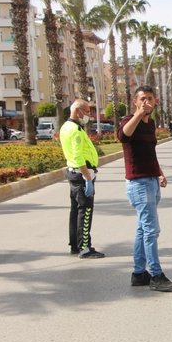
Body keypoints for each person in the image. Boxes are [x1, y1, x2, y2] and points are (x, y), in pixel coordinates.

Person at [117, 85, 172, 292]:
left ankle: (139, 273)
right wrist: (138, 115)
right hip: (138, 183)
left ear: (155, 100)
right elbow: (123, 136)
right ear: (135, 102)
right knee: (151, 230)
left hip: (151, 180)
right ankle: (156, 275)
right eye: (142, 99)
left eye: (149, 98)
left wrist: (160, 172)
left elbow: (151, 153)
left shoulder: (150, 124)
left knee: (143, 229)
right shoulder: (128, 121)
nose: (146, 102)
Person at [59, 99, 105, 259]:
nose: (88, 115)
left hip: (73, 173)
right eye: (86, 111)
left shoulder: (66, 127)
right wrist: (87, 178)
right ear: (78, 111)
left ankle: (75, 245)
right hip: (81, 174)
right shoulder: (76, 131)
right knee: (85, 211)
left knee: (76, 211)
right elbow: (78, 157)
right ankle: (84, 248)